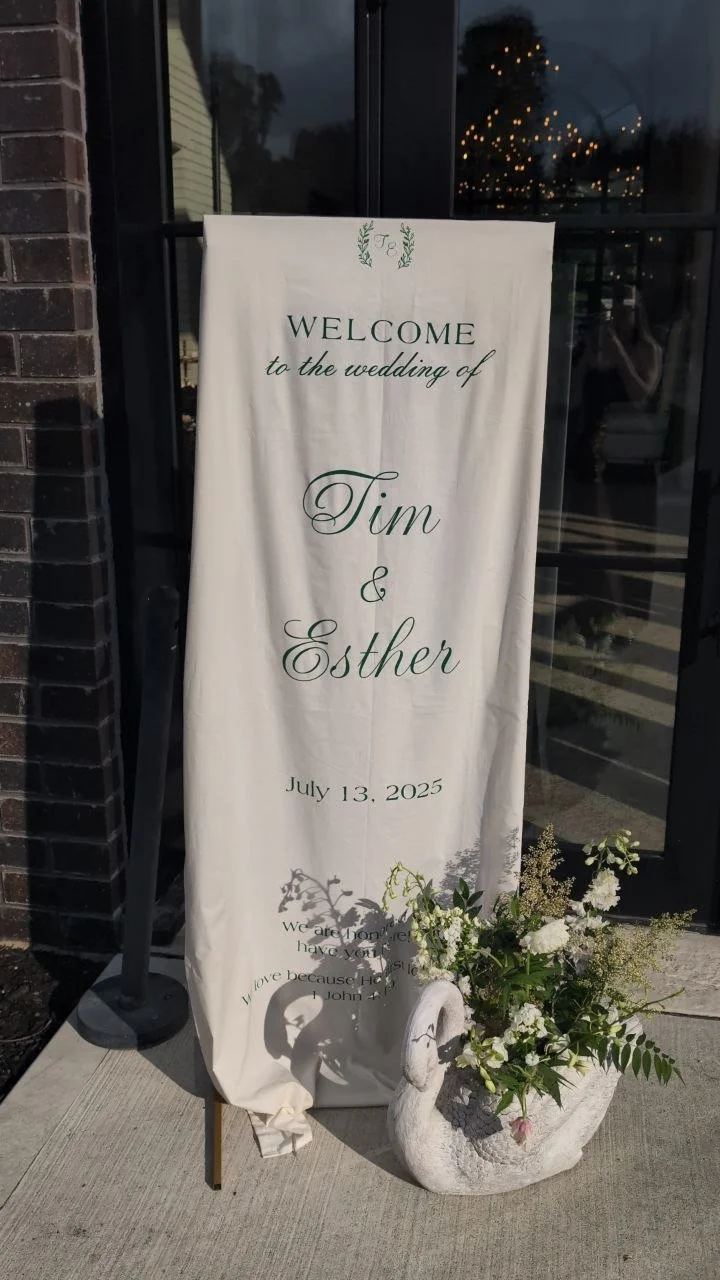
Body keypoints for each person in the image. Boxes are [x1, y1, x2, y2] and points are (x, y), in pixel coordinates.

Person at [574, 283, 663, 480]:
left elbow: (640, 399)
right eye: (615, 313)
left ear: (637, 313)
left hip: (624, 441)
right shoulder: (599, 344)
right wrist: (587, 357)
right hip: (590, 439)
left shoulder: (648, 350)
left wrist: (620, 357)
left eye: (626, 312)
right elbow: (573, 394)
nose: (619, 320)